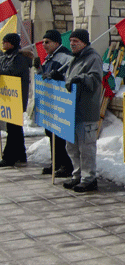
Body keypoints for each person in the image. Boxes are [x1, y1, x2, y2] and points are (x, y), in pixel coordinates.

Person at [62, 29, 103, 193]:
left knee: (86, 148)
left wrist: (82, 78)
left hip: (86, 110)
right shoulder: (74, 59)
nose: (72, 44)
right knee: (72, 147)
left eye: (76, 41)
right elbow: (67, 79)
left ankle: (89, 179)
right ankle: (77, 175)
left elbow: (95, 79)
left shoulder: (93, 58)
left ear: (84, 42)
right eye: (71, 41)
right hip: (72, 111)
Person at [40, 29, 74, 177]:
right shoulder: (49, 57)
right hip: (50, 101)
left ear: (56, 42)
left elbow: (69, 77)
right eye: (43, 42)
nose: (44, 45)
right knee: (51, 133)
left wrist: (57, 76)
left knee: (60, 136)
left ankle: (66, 165)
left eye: (47, 42)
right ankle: (56, 162)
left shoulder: (65, 57)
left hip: (60, 102)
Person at [0, 33, 32, 167]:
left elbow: (10, 72)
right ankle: (20, 154)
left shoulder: (19, 58)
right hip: (8, 97)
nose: (2, 44)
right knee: (15, 128)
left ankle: (9, 157)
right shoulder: (6, 56)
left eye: (5, 41)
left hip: (16, 98)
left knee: (13, 129)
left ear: (12, 43)